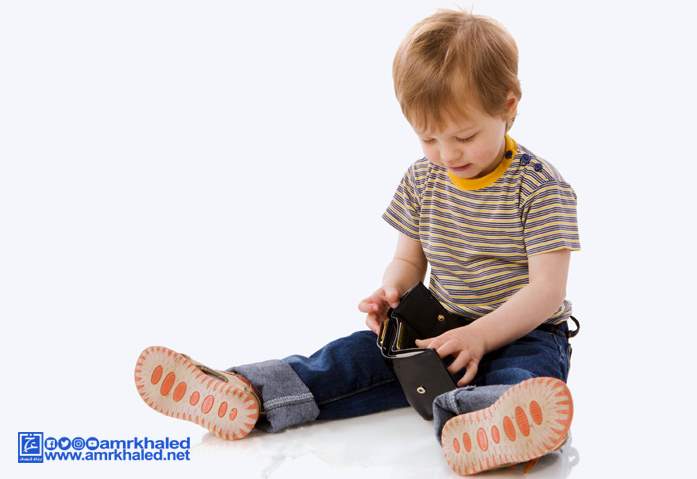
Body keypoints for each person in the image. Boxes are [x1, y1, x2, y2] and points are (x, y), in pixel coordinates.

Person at [134, 8, 581, 475]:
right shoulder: (424, 178)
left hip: (524, 331)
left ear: (508, 105)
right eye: (428, 138)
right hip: (439, 328)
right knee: (347, 359)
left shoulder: (540, 187)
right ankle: (247, 391)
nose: (447, 154)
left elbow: (546, 292)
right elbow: (408, 259)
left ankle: (488, 425)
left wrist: (481, 336)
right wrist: (392, 290)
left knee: (523, 375)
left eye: (464, 136)